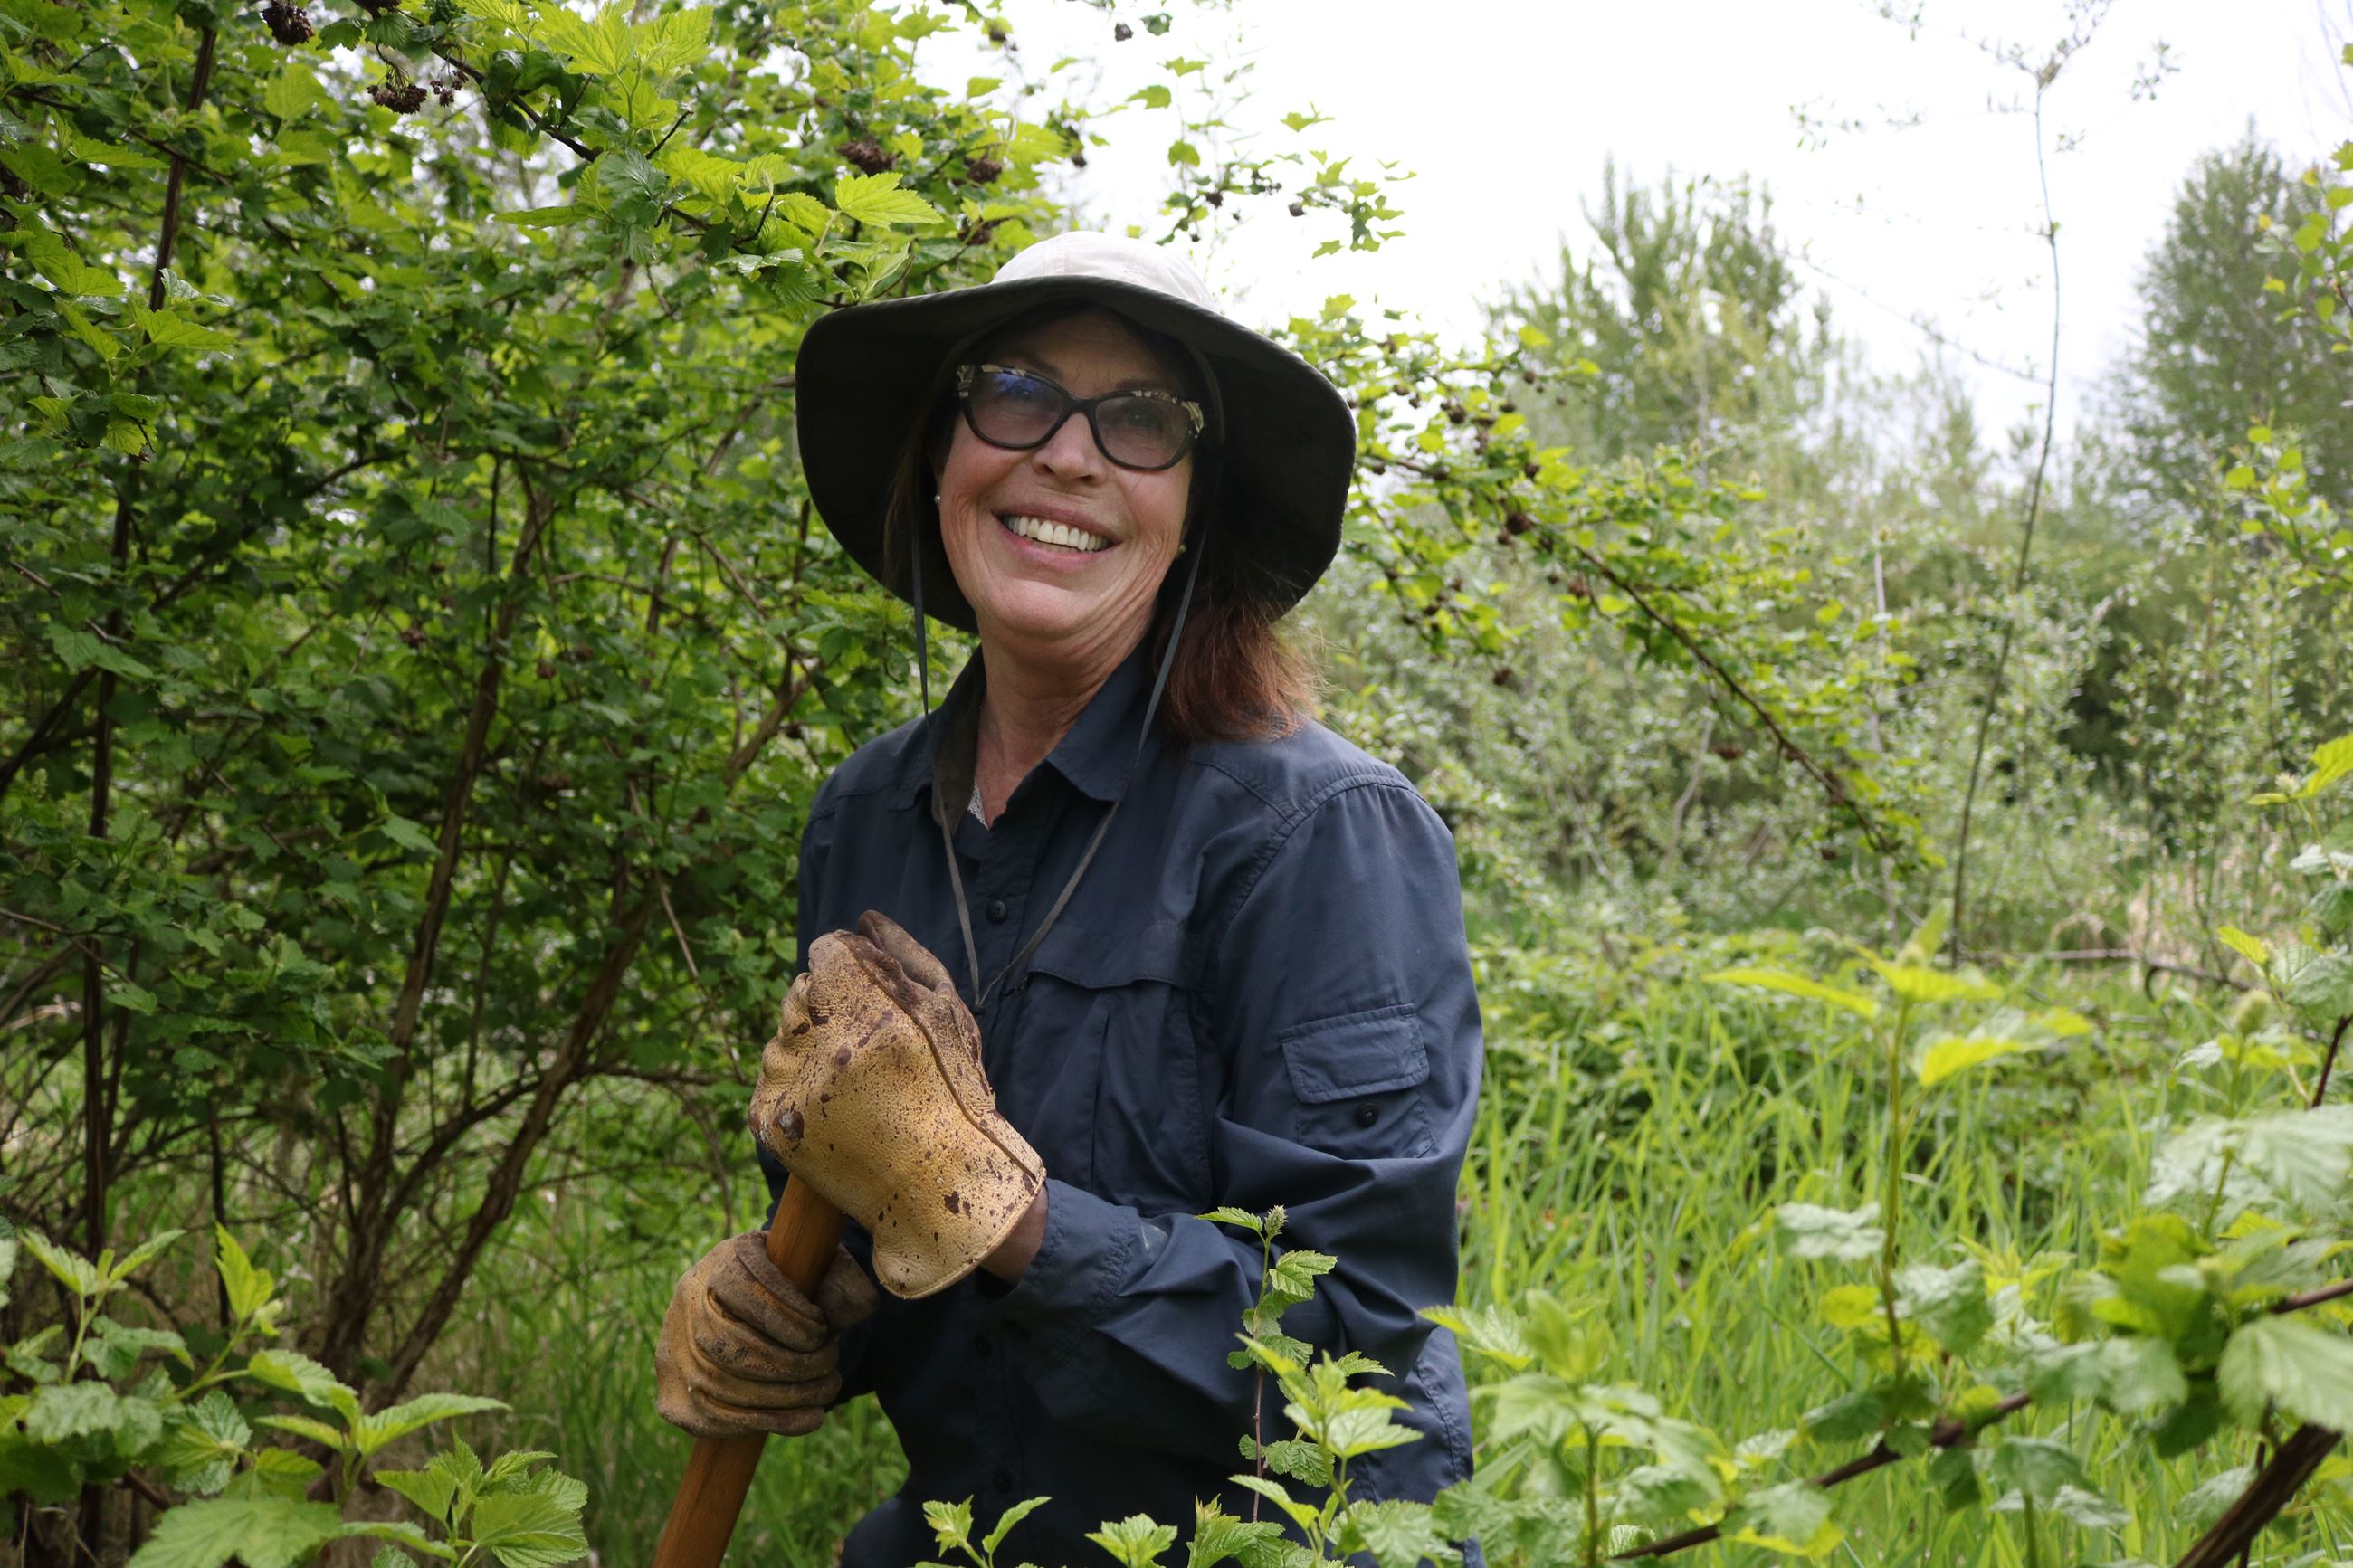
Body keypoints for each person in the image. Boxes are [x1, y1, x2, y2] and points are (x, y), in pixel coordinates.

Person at [652, 233, 1484, 1567]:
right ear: (942, 456)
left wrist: (1002, 1205)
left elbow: (1362, 1373)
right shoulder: (867, 821)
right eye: (1016, 393)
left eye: (1141, 420)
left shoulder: (1322, 838)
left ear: (1195, 506)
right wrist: (792, 1306)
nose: (1070, 456)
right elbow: (860, 1210)